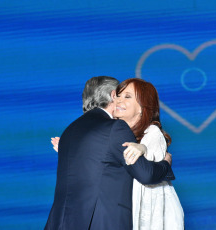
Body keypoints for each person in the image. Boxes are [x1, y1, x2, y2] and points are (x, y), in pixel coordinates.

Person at [52, 78, 184, 229]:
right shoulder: (115, 131)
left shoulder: (151, 132)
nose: (118, 100)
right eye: (118, 95)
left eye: (127, 97)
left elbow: (146, 174)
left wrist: (161, 159)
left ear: (142, 107)